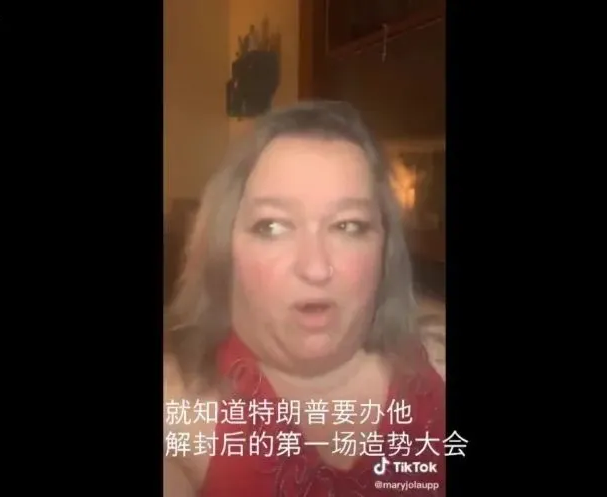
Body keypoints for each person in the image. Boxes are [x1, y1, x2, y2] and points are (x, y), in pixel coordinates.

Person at [164, 101, 445, 496]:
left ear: (385, 251)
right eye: (272, 226)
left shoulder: (438, 367)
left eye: (348, 226)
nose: (315, 268)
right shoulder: (177, 407)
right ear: (223, 250)